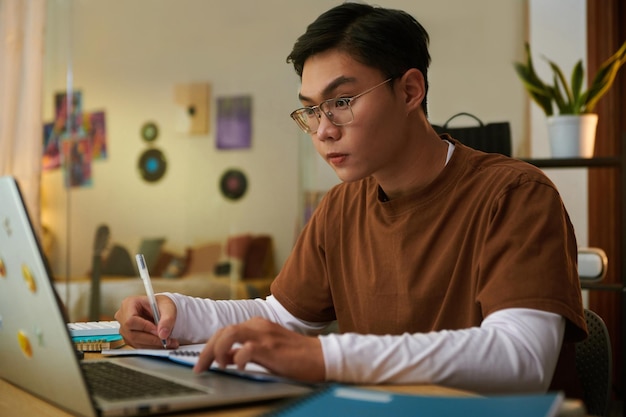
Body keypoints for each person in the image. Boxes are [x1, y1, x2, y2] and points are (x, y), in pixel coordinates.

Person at [115, 3, 587, 396]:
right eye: (312, 109)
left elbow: (521, 358)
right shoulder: (342, 206)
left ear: (409, 90)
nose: (323, 130)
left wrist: (324, 357)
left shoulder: (515, 194)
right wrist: (176, 311)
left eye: (342, 101)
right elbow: (285, 316)